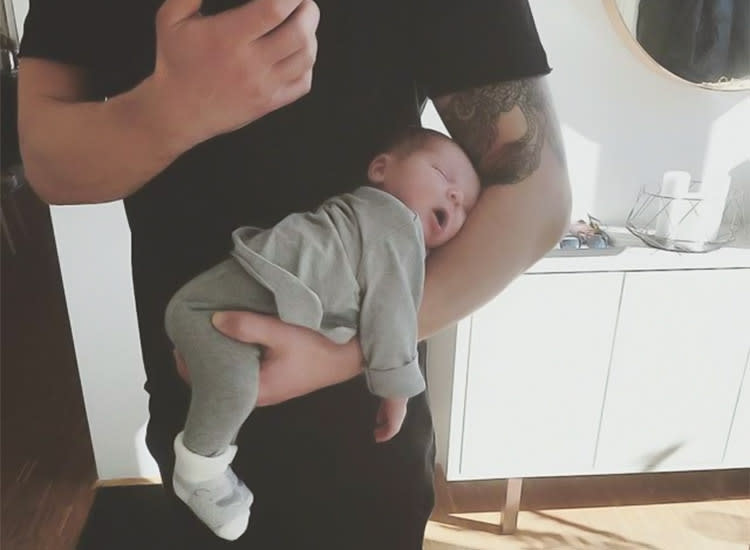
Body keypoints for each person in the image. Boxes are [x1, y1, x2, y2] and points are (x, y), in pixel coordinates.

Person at [18, 0, 571, 548]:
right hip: (192, 409)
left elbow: (537, 195)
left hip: (362, 444)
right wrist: (173, 111)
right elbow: (46, 164)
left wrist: (351, 353)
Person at [166, 128, 481, 539]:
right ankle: (198, 472)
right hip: (208, 307)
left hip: (220, 306)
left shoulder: (363, 220)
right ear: (381, 168)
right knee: (236, 388)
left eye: (465, 206)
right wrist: (396, 390)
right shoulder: (395, 223)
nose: (454, 196)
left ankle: (205, 466)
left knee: (235, 385)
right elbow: (391, 313)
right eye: (442, 174)